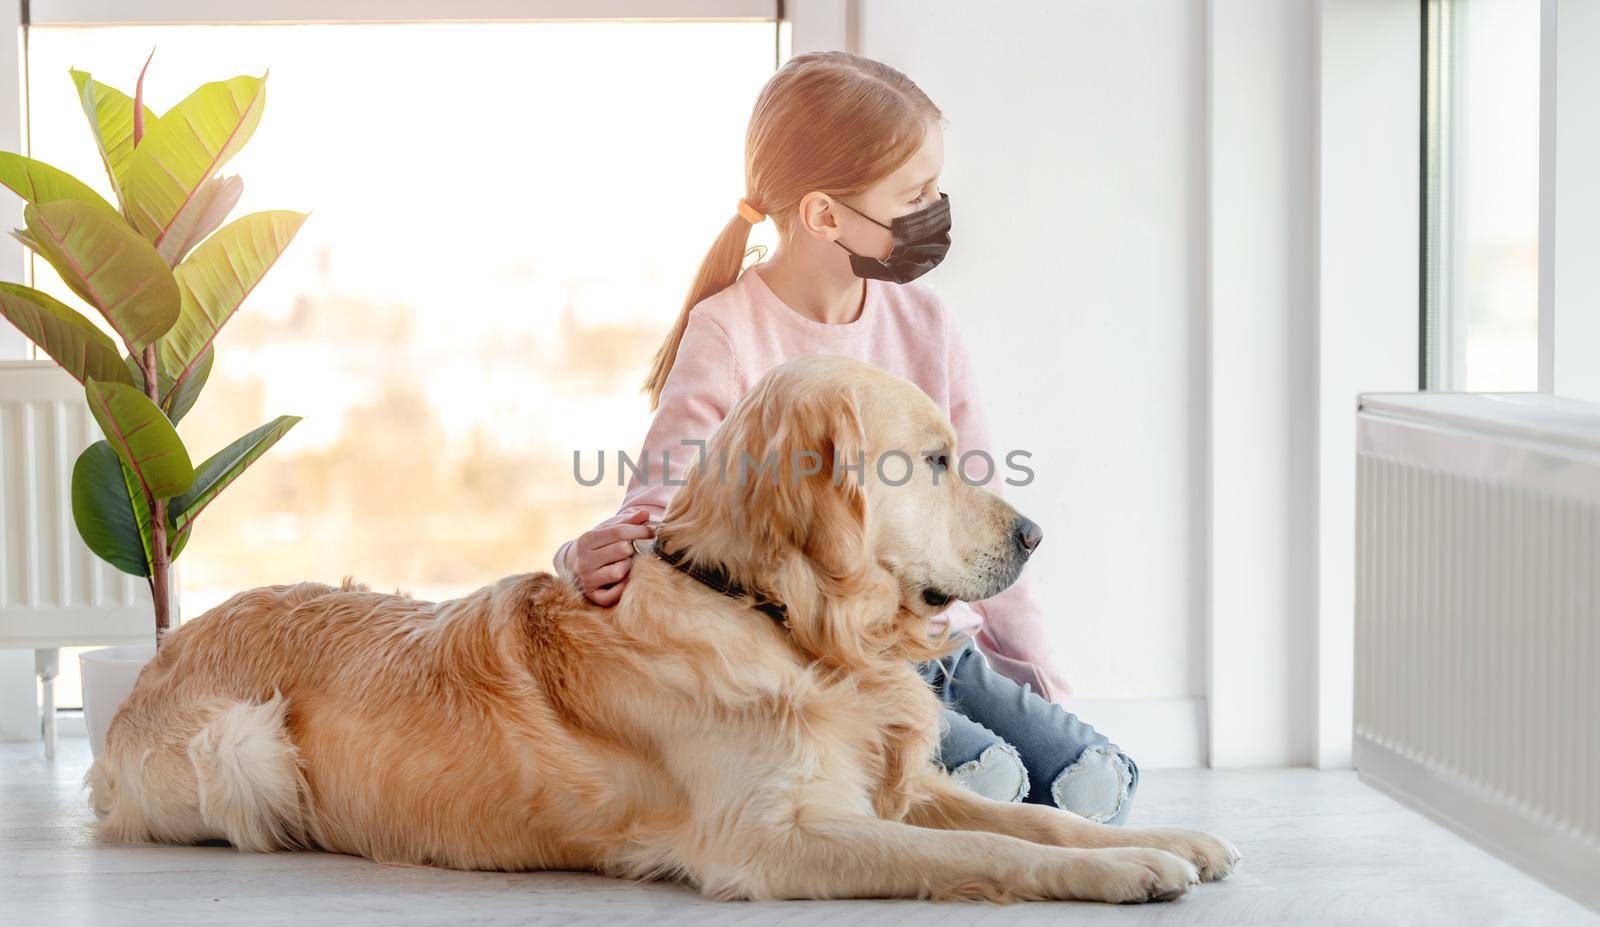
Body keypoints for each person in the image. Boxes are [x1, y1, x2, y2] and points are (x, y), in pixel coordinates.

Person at [553, 51, 1137, 823]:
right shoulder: (728, 332)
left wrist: (1043, 692)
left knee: (1102, 780)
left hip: (941, 644)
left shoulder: (926, 324)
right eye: (914, 194)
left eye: (935, 187)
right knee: (984, 788)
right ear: (825, 215)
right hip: (826, 664)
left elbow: (976, 511)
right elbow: (667, 507)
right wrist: (576, 556)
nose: (935, 208)